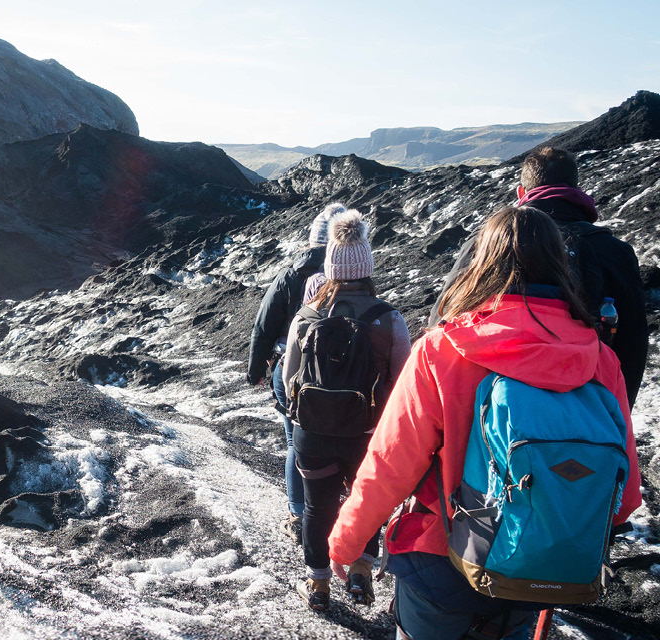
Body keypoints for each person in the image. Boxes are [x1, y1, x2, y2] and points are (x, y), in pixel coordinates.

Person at [329, 207, 642, 639]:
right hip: (533, 574)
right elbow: (622, 496)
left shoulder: (443, 348)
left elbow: (389, 467)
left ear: (482, 263)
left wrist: (347, 543)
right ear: (559, 265)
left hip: (440, 564)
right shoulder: (599, 360)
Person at [430, 146, 648, 407]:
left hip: (490, 409)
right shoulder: (615, 252)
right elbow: (633, 342)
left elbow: (442, 319)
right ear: (577, 191)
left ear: (521, 193)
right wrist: (618, 415)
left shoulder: (487, 243)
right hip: (587, 410)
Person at [283, 210, 411, 611]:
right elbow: (405, 383)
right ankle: (360, 572)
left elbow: (290, 380)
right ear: (367, 266)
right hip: (367, 436)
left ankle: (318, 585)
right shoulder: (388, 319)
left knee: (318, 506)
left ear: (331, 266)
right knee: (364, 500)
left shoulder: (305, 317)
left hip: (313, 433)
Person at [247, 202, 346, 542]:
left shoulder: (290, 274)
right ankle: (337, 516)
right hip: (341, 373)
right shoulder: (352, 276)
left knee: (296, 442)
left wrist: (255, 370)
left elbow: (263, 324)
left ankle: (298, 514)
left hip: (290, 371)